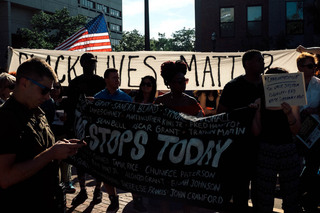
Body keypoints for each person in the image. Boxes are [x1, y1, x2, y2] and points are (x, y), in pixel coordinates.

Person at [0, 57, 85, 213]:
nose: (48, 96)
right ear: (24, 83)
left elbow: (38, 151)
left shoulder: (37, 111)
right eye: (44, 90)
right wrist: (51, 153)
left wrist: (60, 149)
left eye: (51, 91)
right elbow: (5, 178)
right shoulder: (6, 118)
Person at [217, 49, 265, 212]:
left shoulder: (269, 86)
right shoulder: (233, 86)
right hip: (240, 147)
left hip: (264, 144)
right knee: (240, 190)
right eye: (259, 60)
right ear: (247, 63)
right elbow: (221, 114)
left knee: (262, 189)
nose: (263, 63)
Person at [154, 60, 204, 212]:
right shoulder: (160, 102)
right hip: (165, 154)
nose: (183, 84)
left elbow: (202, 124)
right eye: (179, 81)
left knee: (186, 189)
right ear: (169, 83)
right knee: (165, 190)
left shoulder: (192, 102)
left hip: (187, 154)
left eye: (185, 80)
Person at [251, 67, 301, 213]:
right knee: (264, 197)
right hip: (266, 149)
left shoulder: (293, 101)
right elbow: (256, 131)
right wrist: (255, 112)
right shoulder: (260, 101)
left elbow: (296, 131)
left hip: (288, 148)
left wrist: (289, 114)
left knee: (291, 196)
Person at [66, 53, 106, 206]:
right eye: (89, 62)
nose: (92, 65)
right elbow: (70, 106)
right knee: (80, 159)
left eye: (94, 62)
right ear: (82, 64)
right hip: (79, 128)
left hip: (97, 128)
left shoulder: (101, 82)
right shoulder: (75, 83)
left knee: (98, 160)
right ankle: (82, 189)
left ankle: (97, 190)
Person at [94, 68, 132, 212]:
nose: (117, 80)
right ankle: (113, 199)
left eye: (118, 77)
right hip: (104, 142)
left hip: (121, 142)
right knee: (105, 172)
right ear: (106, 80)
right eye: (114, 78)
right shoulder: (98, 97)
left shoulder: (126, 98)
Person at [295, 48, 320, 212]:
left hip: (315, 130)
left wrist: (314, 111)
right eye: (309, 66)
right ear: (300, 67)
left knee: (313, 165)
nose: (313, 69)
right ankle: (296, 195)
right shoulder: (291, 84)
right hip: (295, 128)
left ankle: (307, 197)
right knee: (295, 164)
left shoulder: (319, 84)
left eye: (314, 66)